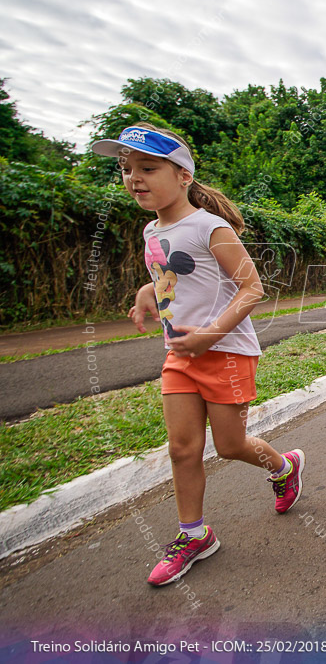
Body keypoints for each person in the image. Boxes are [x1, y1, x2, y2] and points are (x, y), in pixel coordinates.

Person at [92, 123, 305, 586]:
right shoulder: (150, 230)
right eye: (127, 170)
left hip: (225, 351)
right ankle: (195, 534)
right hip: (180, 354)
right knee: (182, 448)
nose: (134, 178)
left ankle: (284, 466)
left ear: (184, 175)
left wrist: (211, 333)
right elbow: (174, 276)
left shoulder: (212, 226)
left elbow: (252, 288)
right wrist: (148, 290)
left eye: (148, 168)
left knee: (229, 446)